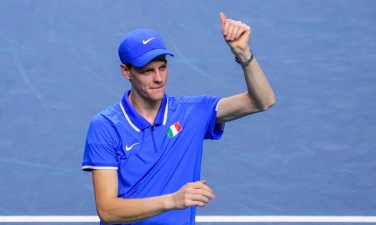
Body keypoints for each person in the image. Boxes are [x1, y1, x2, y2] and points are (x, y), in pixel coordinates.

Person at [82, 12, 275, 225]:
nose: (158, 78)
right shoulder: (106, 126)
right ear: (126, 72)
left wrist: (243, 53)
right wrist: (172, 200)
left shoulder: (191, 113)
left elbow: (262, 101)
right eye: (147, 71)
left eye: (162, 67)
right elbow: (108, 211)